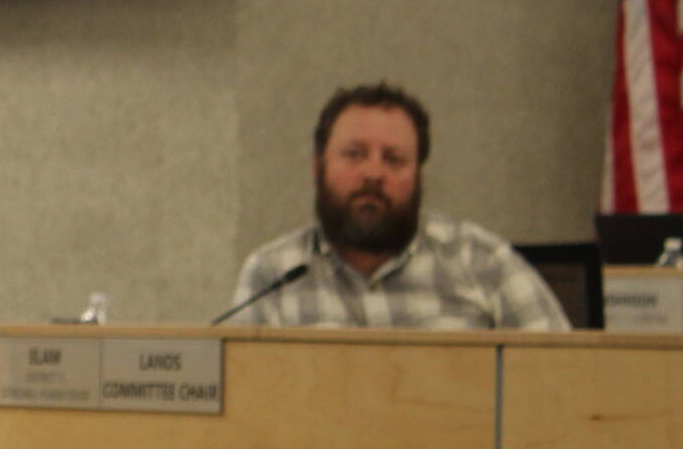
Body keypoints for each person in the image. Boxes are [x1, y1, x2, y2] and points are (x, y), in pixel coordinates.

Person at [227, 83, 569, 329]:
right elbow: (246, 411)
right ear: (318, 168)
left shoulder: (483, 261)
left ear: (419, 176)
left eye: (394, 159)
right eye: (354, 155)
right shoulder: (272, 274)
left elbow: (565, 386)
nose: (374, 173)